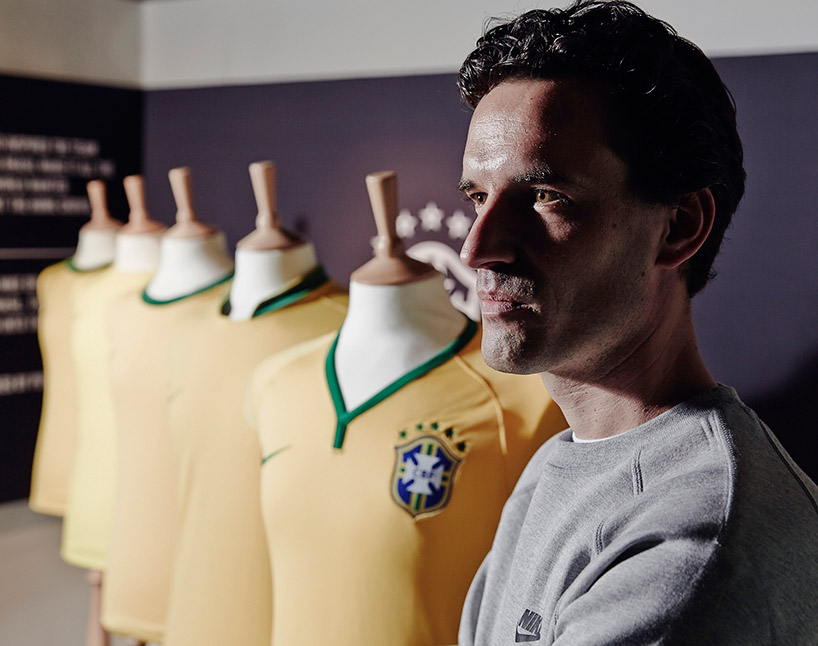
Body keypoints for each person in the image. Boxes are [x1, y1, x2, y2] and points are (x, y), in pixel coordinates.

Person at [455, 1, 818, 644]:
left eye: (545, 197)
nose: (477, 248)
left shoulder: (689, 543)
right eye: (479, 197)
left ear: (678, 226)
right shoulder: (558, 465)